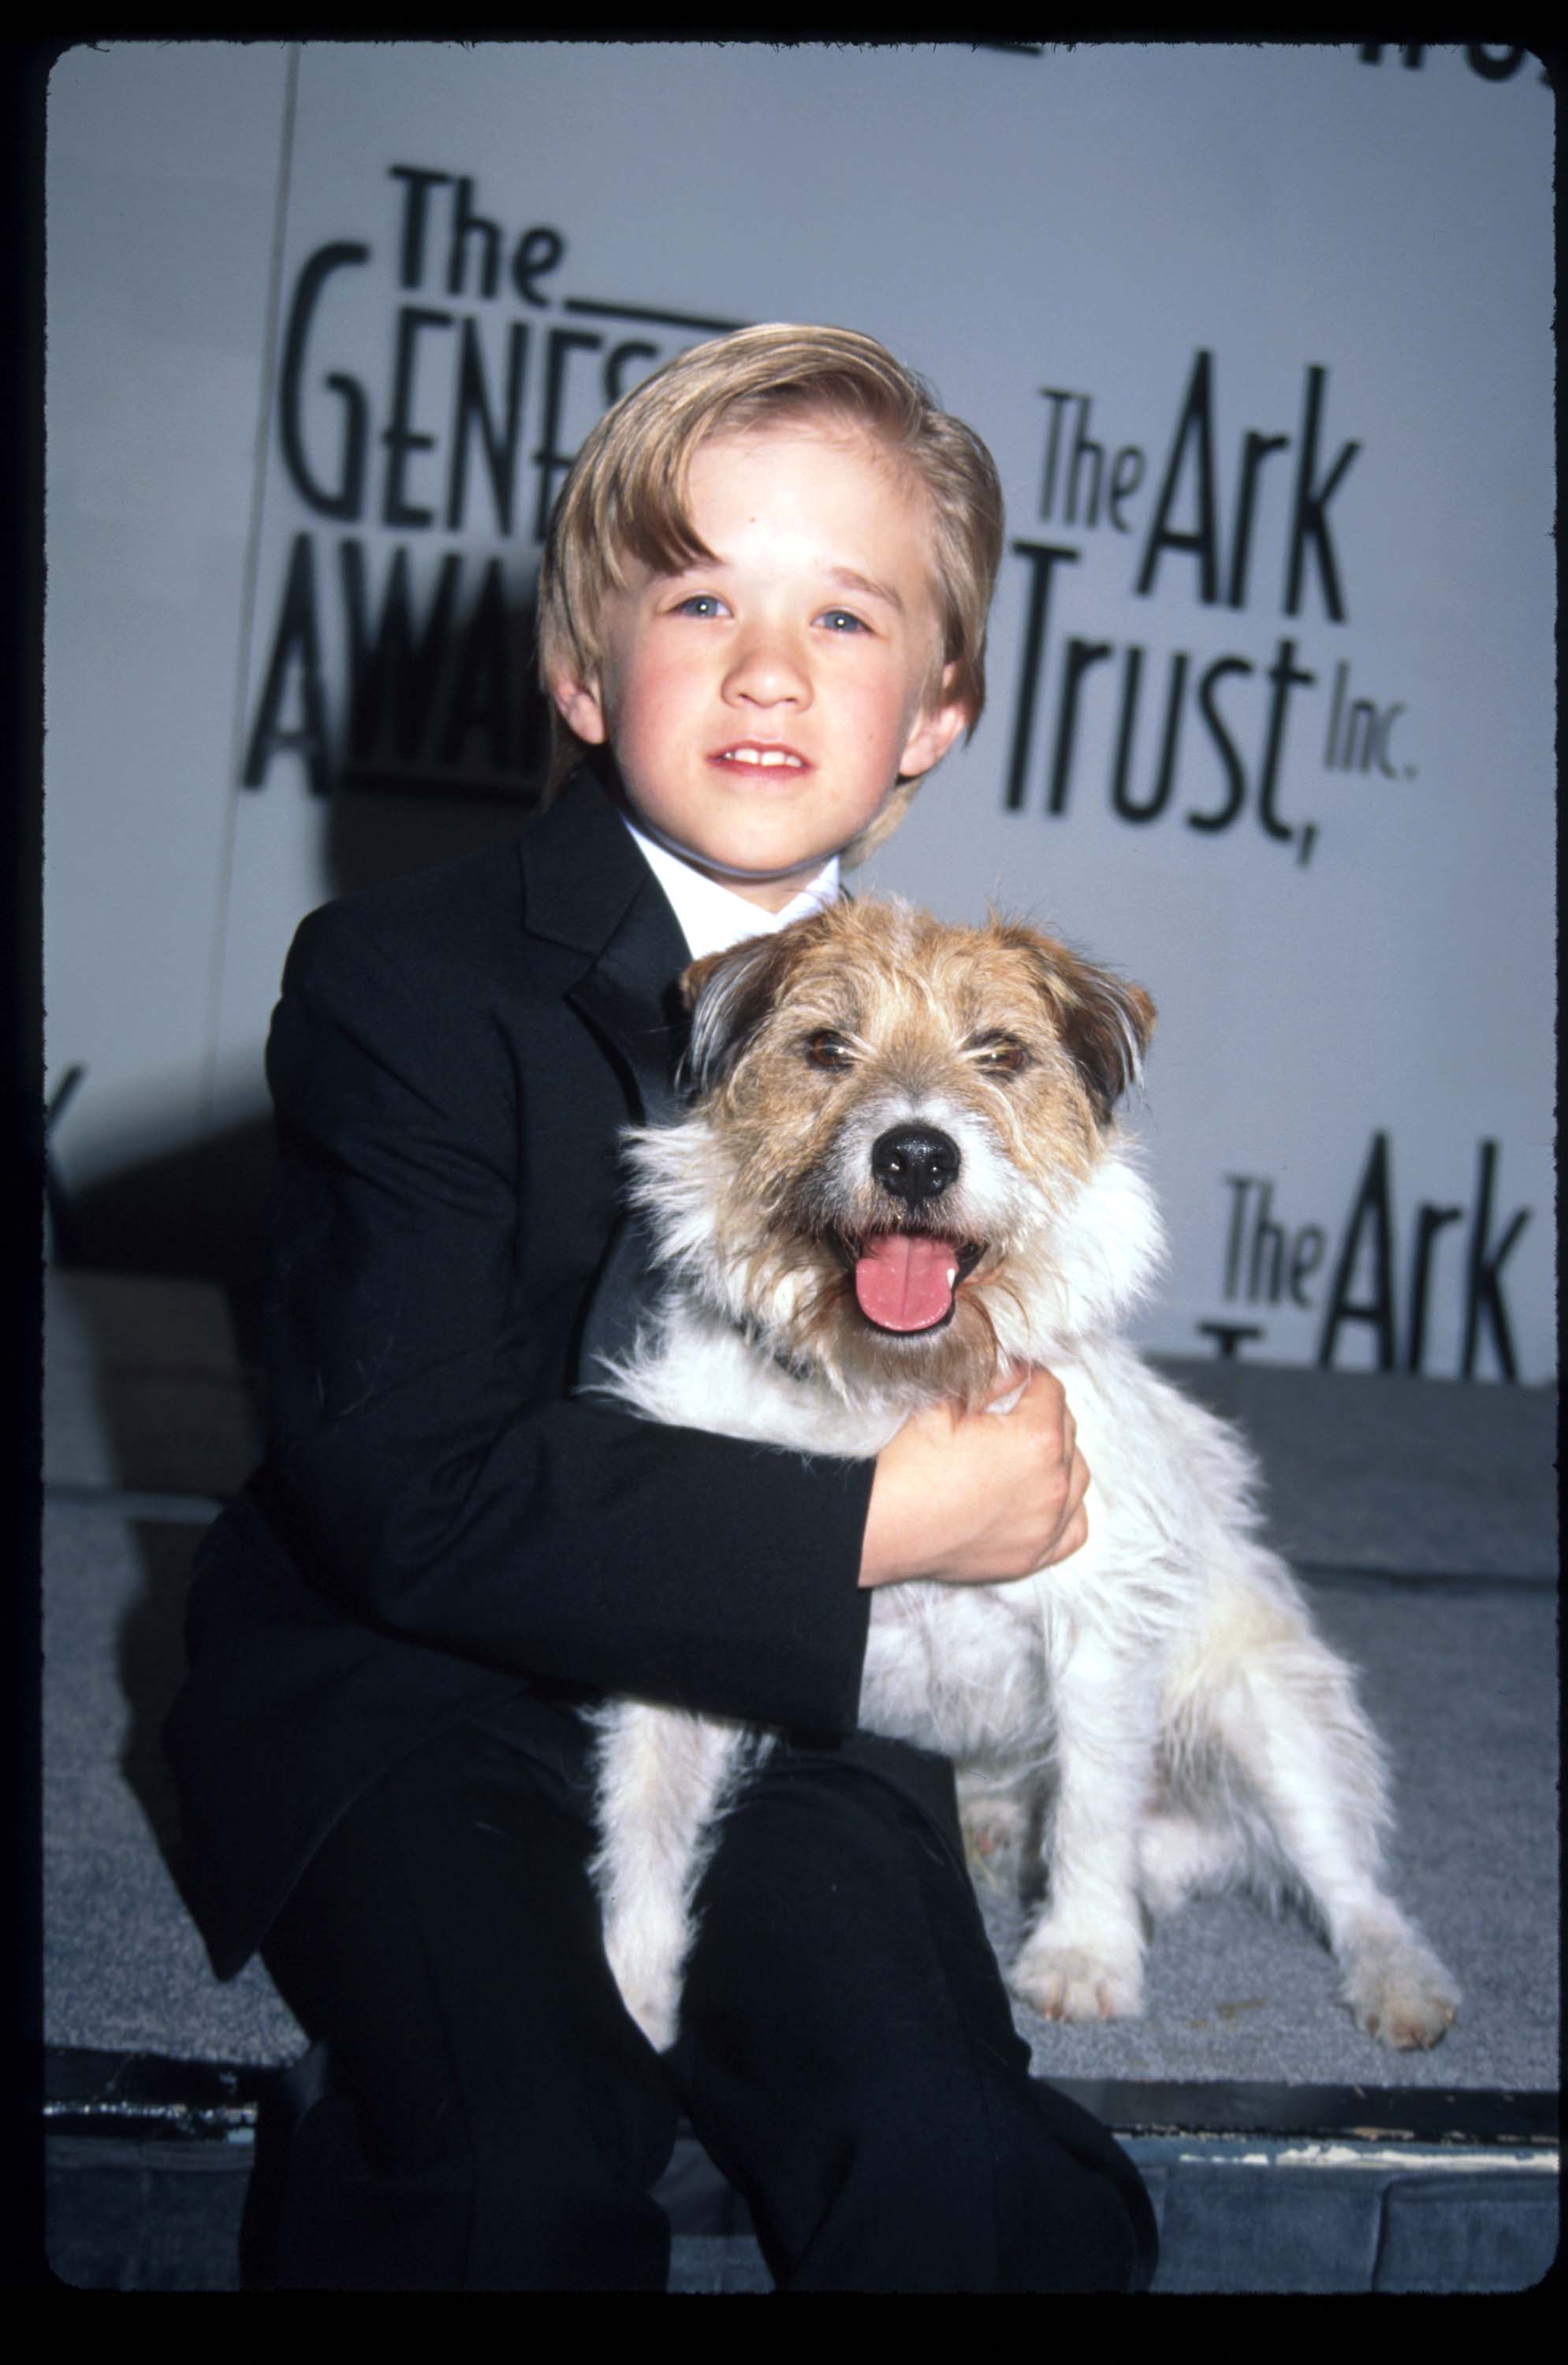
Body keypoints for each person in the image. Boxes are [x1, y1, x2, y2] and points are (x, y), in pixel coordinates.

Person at [163, 322, 1160, 2292]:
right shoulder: (397, 981)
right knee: (507, 2167)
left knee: (954, 2167)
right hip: (417, 1687)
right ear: (575, 669)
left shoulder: (965, 1041)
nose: (771, 665)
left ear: (938, 712)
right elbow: (413, 1490)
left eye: (847, 617)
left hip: (791, 1696)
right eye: (698, 593)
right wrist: (882, 1523)